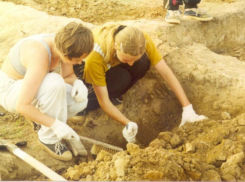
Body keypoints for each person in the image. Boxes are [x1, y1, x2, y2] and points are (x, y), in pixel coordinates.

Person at [73, 23, 208, 144]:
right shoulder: (95, 57)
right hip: (84, 68)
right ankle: (83, 107)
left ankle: (115, 91)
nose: (131, 63)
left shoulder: (139, 40)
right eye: (127, 59)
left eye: (133, 59)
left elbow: (165, 72)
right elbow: (104, 102)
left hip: (111, 63)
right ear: (116, 47)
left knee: (142, 62)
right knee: (121, 79)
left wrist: (187, 108)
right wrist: (127, 123)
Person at [0, 22, 94, 161]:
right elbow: (22, 105)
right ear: (66, 53)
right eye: (77, 60)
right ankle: (48, 139)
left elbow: (67, 76)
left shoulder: (65, 45)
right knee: (54, 83)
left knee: (79, 101)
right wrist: (56, 125)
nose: (80, 63)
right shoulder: (38, 55)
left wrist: (77, 83)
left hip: (30, 87)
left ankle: (42, 121)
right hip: (10, 91)